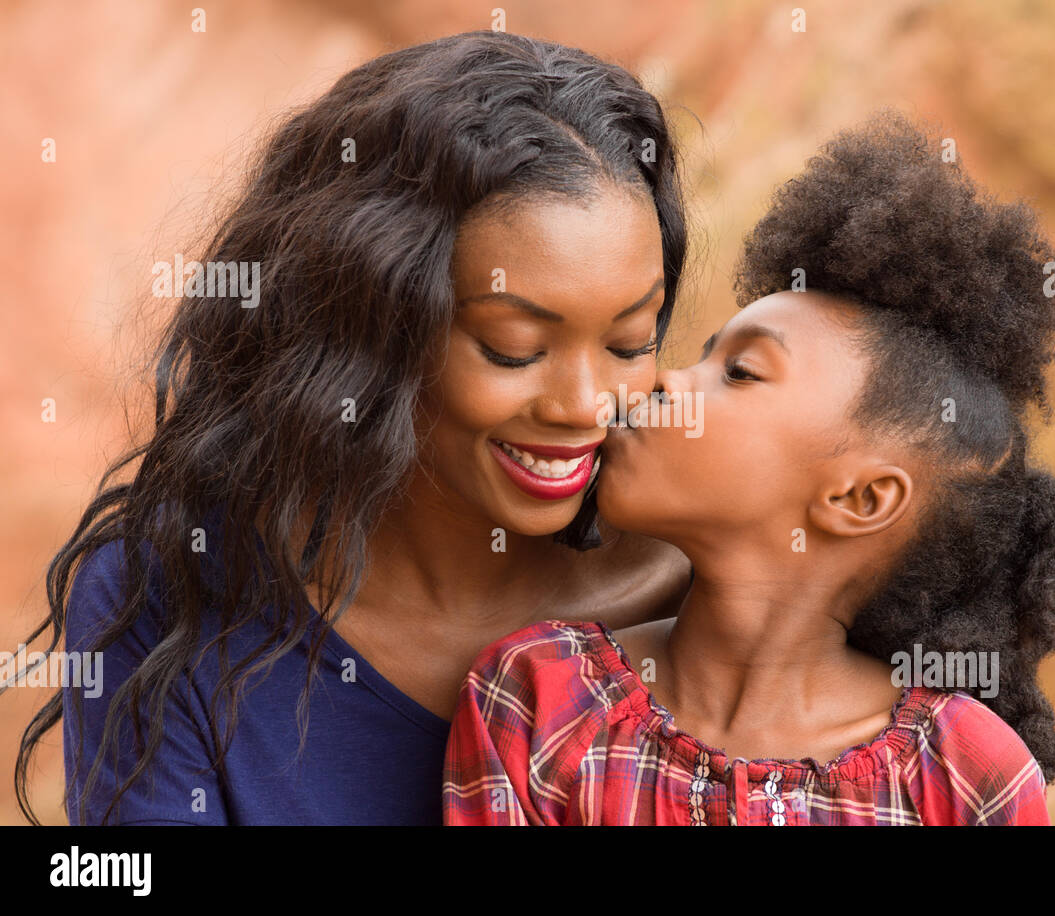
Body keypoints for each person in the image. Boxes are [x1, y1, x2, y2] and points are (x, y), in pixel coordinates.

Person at [17, 31, 693, 825]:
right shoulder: (174, 595)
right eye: (515, 348)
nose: (586, 403)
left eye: (629, 342)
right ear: (372, 329)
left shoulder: (705, 587)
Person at [442, 111, 1055, 825]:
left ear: (861, 497)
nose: (661, 383)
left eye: (740, 371)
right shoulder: (540, 698)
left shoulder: (965, 778)